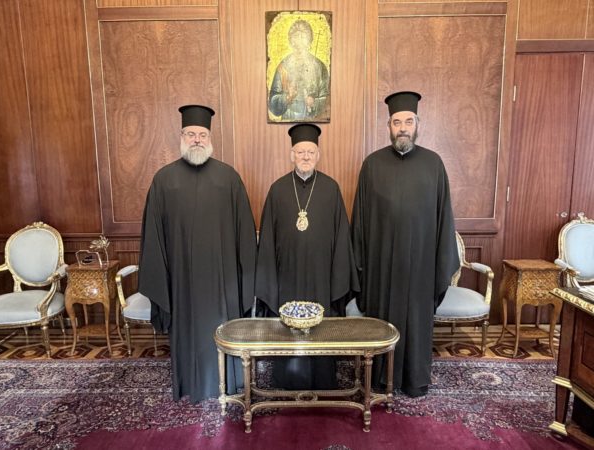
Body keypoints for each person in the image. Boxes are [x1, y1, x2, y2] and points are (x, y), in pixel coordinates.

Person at [138, 104, 257, 403]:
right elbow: (153, 237)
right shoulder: (163, 180)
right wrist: (162, 280)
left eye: (202, 134)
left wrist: (245, 280)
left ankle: (227, 383)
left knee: (223, 330)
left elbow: (244, 233)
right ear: (181, 136)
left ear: (210, 138)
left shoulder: (229, 178)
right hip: (182, 283)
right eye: (190, 134)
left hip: (222, 282)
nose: (196, 140)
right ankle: (188, 383)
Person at [351, 92, 459, 397]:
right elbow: (359, 222)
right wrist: (360, 267)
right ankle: (379, 379)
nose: (402, 128)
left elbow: (444, 218)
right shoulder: (372, 165)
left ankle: (414, 380)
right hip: (381, 268)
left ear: (417, 124)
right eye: (397, 122)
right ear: (388, 125)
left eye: (408, 122)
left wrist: (441, 264)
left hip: (420, 270)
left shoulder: (433, 164)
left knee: (416, 325)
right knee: (380, 323)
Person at [255, 123, 359, 389]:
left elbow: (342, 238)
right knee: (287, 328)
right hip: (286, 275)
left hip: (322, 276)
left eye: (310, 152)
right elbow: (266, 239)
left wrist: (339, 278)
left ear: (318, 155)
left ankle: (323, 380)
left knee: (322, 327)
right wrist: (268, 279)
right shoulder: (277, 189)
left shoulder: (331, 189)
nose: (305, 157)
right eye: (300, 152)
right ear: (292, 155)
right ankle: (288, 380)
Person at [268, 19, 330, 121]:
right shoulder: (283, 67)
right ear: (291, 41)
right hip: (289, 119)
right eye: (296, 37)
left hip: (312, 120)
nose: (299, 41)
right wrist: (287, 97)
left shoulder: (320, 67)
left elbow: (328, 101)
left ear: (309, 41)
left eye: (303, 37)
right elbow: (272, 103)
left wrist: (314, 102)